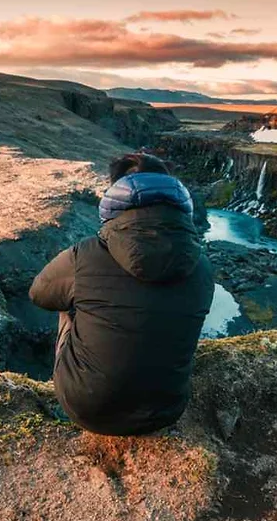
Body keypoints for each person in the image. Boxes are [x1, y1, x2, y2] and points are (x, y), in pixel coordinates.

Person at [29, 153, 214, 436]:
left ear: (116, 195)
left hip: (89, 409)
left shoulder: (85, 255)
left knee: (69, 299)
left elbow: (39, 294)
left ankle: (75, 392)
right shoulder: (201, 265)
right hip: (166, 411)